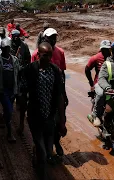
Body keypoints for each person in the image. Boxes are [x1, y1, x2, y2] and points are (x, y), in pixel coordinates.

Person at [22, 42, 66, 180]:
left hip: (50, 117)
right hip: (35, 116)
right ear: (38, 55)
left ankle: (39, 156)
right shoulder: (29, 70)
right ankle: (42, 175)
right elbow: (23, 93)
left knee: (47, 151)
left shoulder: (56, 71)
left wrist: (62, 121)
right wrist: (21, 116)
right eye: (44, 55)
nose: (47, 58)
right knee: (42, 151)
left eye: (50, 56)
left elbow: (59, 97)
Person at [31, 28, 68, 158]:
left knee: (59, 121)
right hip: (42, 93)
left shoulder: (60, 53)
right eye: (50, 37)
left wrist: (64, 94)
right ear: (45, 38)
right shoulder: (36, 53)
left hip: (56, 93)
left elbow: (62, 74)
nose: (53, 40)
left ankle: (56, 142)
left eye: (54, 38)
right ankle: (46, 150)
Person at [0, 38, 20, 143]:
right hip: (2, 90)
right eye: (4, 48)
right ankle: (10, 133)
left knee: (7, 109)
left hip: (12, 90)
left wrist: (18, 90)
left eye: (8, 48)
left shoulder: (15, 60)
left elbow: (17, 75)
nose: (6, 50)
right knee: (10, 111)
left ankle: (2, 116)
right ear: (1, 48)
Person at [10, 29, 31, 136]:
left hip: (22, 75)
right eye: (14, 36)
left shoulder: (24, 46)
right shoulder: (8, 45)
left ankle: (21, 124)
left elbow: (28, 58)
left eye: (18, 35)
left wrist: (24, 68)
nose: (16, 37)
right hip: (11, 75)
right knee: (10, 97)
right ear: (11, 36)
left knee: (22, 99)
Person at [86, 40, 112, 126]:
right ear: (101, 49)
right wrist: (91, 84)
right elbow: (87, 69)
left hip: (111, 84)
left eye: (107, 49)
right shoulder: (96, 58)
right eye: (104, 49)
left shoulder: (113, 58)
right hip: (99, 84)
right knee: (101, 95)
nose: (106, 51)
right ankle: (95, 116)